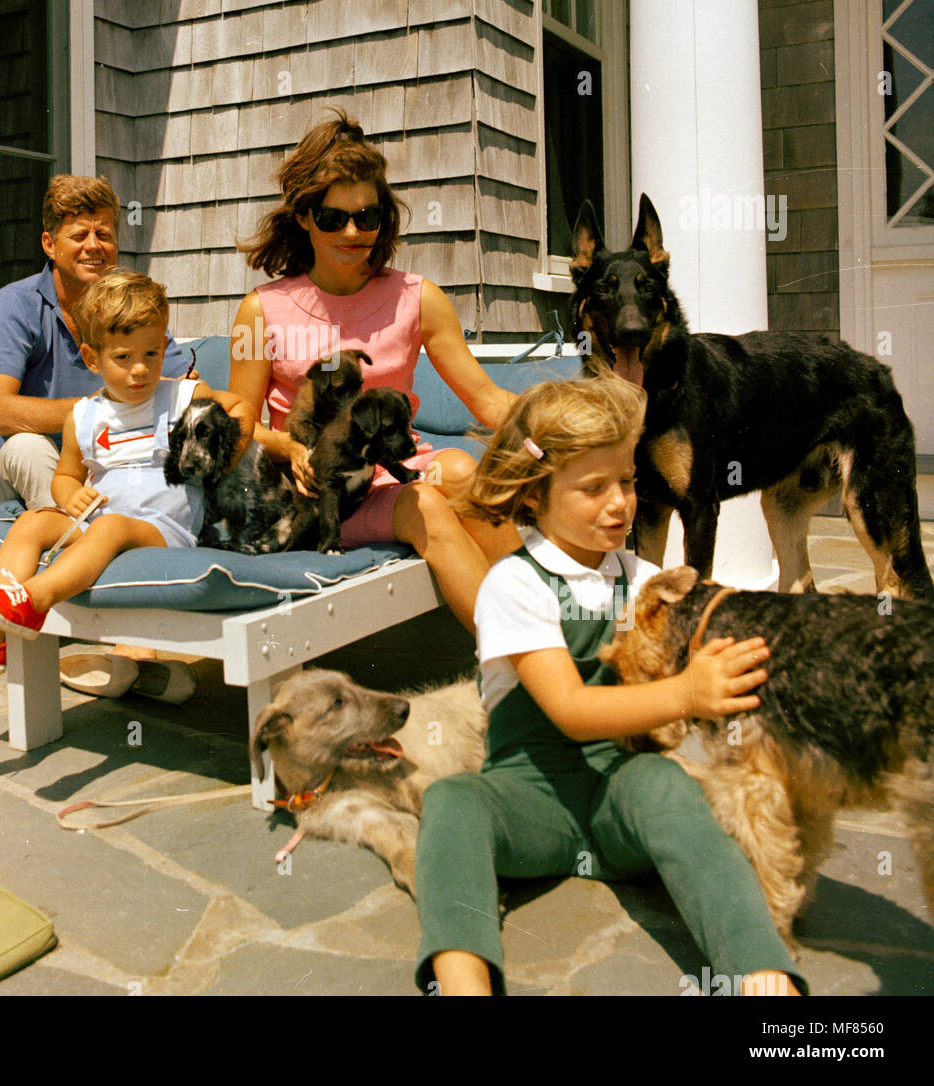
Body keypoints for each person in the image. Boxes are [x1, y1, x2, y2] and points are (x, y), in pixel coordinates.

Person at [413, 373, 805, 997]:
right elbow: (568, 708)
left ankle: (759, 975)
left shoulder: (640, 574)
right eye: (594, 488)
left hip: (621, 794)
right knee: (453, 802)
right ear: (534, 497)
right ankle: (462, 983)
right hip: (530, 800)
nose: (620, 503)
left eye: (625, 481)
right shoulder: (515, 585)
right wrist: (687, 694)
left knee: (668, 784)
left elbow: (709, 622)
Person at [228, 109, 520, 632]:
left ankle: (556, 630)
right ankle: (523, 663)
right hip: (318, 494)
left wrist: (574, 429)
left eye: (368, 216)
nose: (353, 231)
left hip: (395, 473)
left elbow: (489, 401)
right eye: (332, 217)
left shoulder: (418, 298)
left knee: (457, 471)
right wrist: (291, 448)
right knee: (426, 505)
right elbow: (240, 422)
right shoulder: (261, 310)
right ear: (303, 217)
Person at [0, 175, 191, 688]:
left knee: (119, 497)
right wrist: (98, 410)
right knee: (30, 446)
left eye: (104, 234)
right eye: (79, 234)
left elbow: (175, 387)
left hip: (99, 471)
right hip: (9, 467)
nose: (94, 246)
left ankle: (8, 634)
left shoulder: (127, 311)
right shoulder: (15, 304)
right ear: (49, 244)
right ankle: (122, 645)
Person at [0, 271, 256, 703]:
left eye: (152, 354)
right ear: (92, 357)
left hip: (163, 531)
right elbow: (65, 475)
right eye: (123, 357)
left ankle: (31, 601)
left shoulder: (182, 396)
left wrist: (227, 456)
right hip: (102, 521)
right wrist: (67, 495)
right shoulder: (83, 416)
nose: (140, 369)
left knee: (112, 528)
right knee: (32, 522)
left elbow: (240, 407)